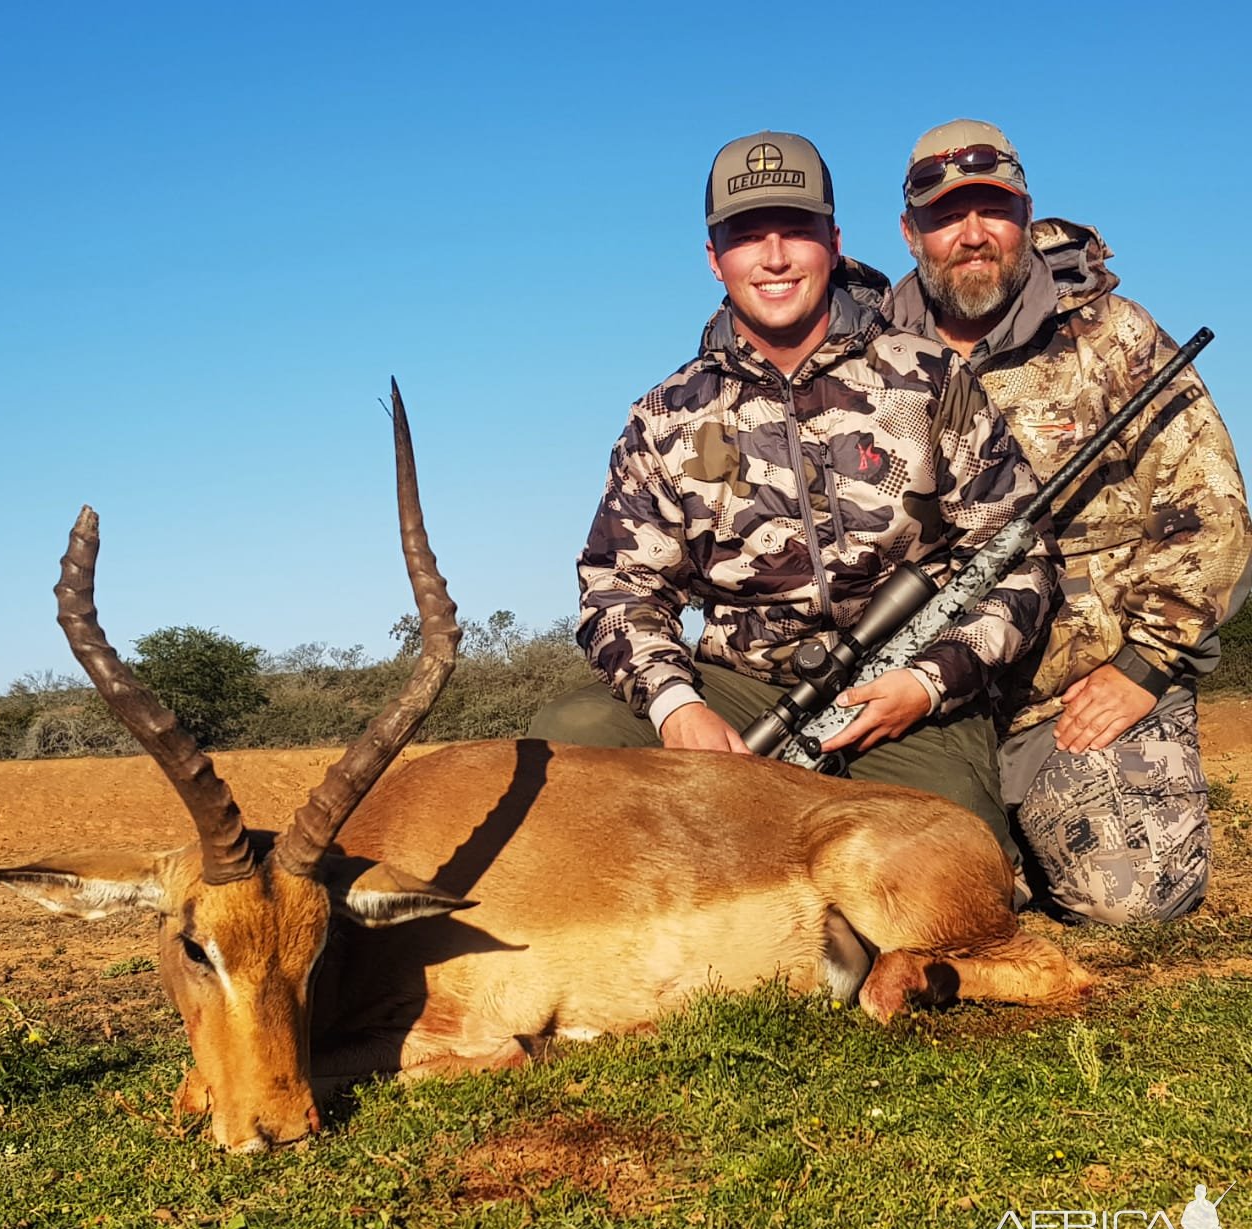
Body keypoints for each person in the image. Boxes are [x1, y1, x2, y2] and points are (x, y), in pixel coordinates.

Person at [530, 130, 1057, 858]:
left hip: (902, 701)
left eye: (796, 233)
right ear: (714, 259)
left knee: (954, 863)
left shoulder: (933, 379)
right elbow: (617, 589)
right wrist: (678, 708)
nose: (774, 258)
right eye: (747, 237)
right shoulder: (663, 415)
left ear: (833, 243)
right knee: (569, 741)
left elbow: (1020, 557)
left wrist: (932, 681)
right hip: (737, 686)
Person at [892, 118, 1252, 924]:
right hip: (931, 706)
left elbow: (1212, 514)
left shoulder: (1114, 337)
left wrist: (1145, 666)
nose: (973, 235)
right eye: (948, 216)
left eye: (994, 209)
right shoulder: (869, 361)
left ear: (1025, 214)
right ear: (911, 233)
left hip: (1083, 696)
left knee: (1127, 899)